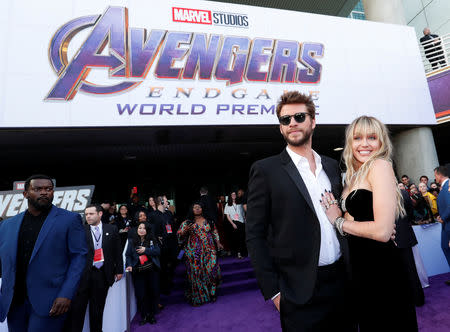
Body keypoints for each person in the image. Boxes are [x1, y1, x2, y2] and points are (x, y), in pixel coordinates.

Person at [246, 91, 354, 331]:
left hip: (342, 283)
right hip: (298, 290)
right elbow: (254, 235)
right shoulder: (266, 170)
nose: (292, 123)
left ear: (313, 122)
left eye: (299, 116)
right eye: (285, 120)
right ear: (281, 128)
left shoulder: (331, 166)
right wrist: (274, 292)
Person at [321, 116, 418, 331]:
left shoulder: (380, 165)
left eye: (372, 137)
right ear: (350, 143)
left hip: (381, 269)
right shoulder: (352, 178)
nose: (364, 144)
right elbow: (358, 221)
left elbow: (383, 232)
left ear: (381, 142)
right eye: (357, 138)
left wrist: (338, 221)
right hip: (359, 269)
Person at [0, 174, 88, 331]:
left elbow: (79, 258)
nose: (44, 192)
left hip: (50, 300)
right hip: (14, 302)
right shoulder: (7, 225)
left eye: (48, 189)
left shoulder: (69, 219)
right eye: (37, 189)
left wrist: (66, 294)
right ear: (25, 194)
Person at [64, 205, 123, 332]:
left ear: (100, 214)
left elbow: (117, 251)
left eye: (91, 213)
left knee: (97, 311)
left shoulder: (111, 229)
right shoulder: (81, 230)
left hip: (102, 275)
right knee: (77, 311)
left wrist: (119, 270)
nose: (88, 216)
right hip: (83, 276)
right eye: (86, 214)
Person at [177, 203, 223, 306]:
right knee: (196, 275)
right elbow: (179, 236)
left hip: (209, 251)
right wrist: (185, 231)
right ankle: (198, 298)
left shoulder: (209, 221)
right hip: (194, 253)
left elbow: (214, 232)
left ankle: (212, 293)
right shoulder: (187, 222)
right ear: (191, 210)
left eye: (199, 207)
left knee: (212, 270)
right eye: (195, 207)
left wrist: (218, 243)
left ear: (202, 209)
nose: (197, 209)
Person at [125, 222, 160, 325]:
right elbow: (128, 256)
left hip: (151, 270)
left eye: (144, 228)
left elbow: (158, 252)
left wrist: (146, 250)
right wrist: (129, 265)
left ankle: (152, 315)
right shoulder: (131, 241)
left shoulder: (152, 240)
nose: (141, 230)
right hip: (138, 271)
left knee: (152, 293)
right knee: (141, 294)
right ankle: (144, 316)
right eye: (139, 228)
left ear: (147, 230)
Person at [149, 196, 178, 295]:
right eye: (166, 201)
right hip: (160, 245)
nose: (168, 202)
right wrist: (157, 238)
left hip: (171, 243)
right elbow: (152, 231)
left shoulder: (169, 213)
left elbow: (172, 228)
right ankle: (164, 286)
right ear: (161, 202)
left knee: (173, 262)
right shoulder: (152, 215)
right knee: (162, 266)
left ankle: (169, 281)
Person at [434, 165, 450, 285]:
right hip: (446, 224)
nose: (434, 178)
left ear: (439, 175)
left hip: (448, 224)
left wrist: (443, 218)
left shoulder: (448, 186)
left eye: (435, 175)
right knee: (445, 247)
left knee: (446, 247)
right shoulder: (444, 187)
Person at [224, 191, 246, 258]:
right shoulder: (227, 204)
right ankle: (237, 252)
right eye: (232, 194)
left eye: (234, 194)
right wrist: (233, 223)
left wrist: (245, 219)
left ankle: (241, 252)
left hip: (242, 222)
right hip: (234, 222)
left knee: (242, 238)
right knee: (236, 238)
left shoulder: (240, 203)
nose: (233, 195)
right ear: (230, 196)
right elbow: (227, 216)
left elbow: (242, 213)